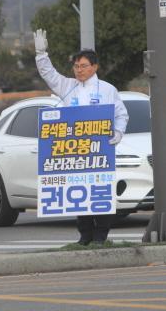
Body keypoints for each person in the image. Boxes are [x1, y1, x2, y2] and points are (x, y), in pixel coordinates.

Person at [34, 29, 129, 245]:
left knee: (100, 194)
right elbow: (48, 74)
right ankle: (85, 236)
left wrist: (118, 132)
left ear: (95, 67)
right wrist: (41, 54)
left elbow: (121, 114)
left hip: (99, 153)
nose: (79, 70)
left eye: (84, 66)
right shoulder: (68, 86)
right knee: (79, 195)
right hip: (75, 153)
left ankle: (101, 236)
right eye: (76, 66)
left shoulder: (107, 89)